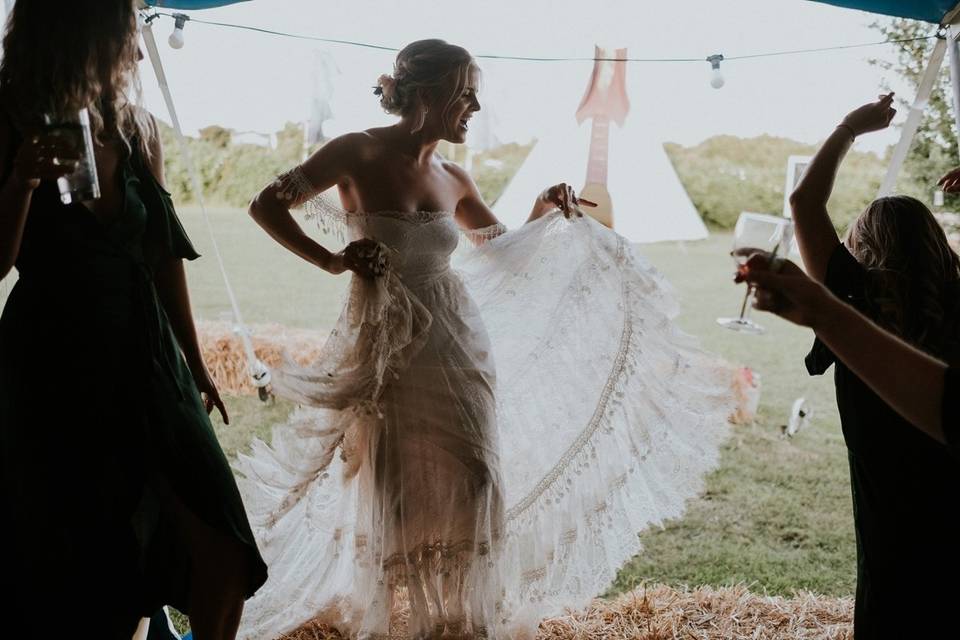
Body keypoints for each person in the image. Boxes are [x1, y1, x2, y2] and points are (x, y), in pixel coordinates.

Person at [236, 39, 733, 639]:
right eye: (465, 91)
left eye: (474, 93)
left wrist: (543, 209)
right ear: (426, 92)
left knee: (474, 475)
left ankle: (463, 619)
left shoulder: (455, 175)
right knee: (399, 488)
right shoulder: (356, 151)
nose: (473, 105)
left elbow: (500, 253)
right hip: (389, 348)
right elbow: (267, 205)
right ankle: (405, 620)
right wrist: (335, 260)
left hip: (458, 343)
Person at [0, 2, 266, 638]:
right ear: (83, 31)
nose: (140, 51)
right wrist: (19, 183)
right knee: (84, 554)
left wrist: (194, 362)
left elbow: (164, 253)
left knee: (224, 552)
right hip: (54, 353)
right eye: (127, 33)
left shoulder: (134, 128)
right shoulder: (8, 114)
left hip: (146, 348)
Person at [752, 92, 960, 639]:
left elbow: (804, 203)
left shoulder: (851, 298)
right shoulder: (958, 301)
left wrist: (851, 127)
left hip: (889, 517)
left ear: (862, 245)